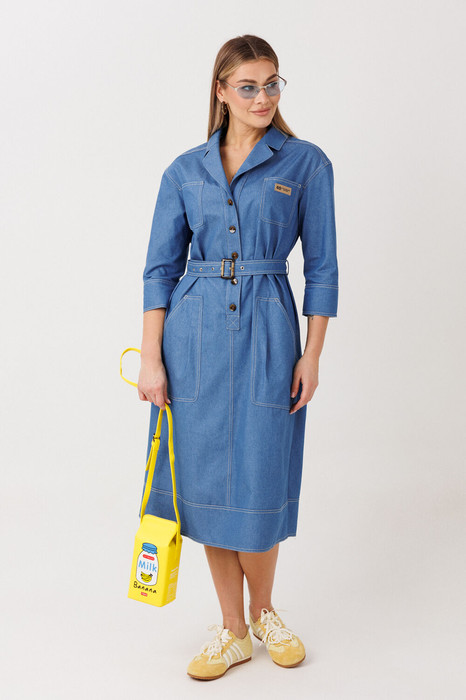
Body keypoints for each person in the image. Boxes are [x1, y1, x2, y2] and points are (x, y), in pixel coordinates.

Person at [137, 34, 339, 681]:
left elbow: (324, 269)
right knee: (202, 481)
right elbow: (160, 270)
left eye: (272, 84)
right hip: (193, 338)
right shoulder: (184, 171)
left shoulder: (306, 164)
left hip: (269, 332)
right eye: (248, 86)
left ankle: (265, 612)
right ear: (221, 91)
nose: (262, 97)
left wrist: (312, 355)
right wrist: (151, 358)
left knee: (258, 473)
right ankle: (232, 630)